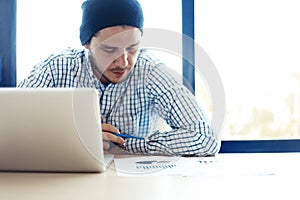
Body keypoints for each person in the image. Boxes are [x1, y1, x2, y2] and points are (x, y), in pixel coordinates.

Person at [18, 0, 220, 156]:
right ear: (87, 43)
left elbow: (205, 137)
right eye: (109, 49)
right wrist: (73, 138)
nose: (123, 62)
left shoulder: (151, 72)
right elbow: (10, 125)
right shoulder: (57, 68)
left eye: (132, 48)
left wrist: (123, 142)